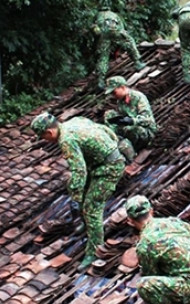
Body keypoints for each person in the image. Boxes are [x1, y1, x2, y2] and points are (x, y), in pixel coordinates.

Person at [31, 113, 126, 268]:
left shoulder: (66, 141)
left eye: (43, 137)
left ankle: (95, 251)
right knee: (78, 188)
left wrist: (75, 197)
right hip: (100, 163)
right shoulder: (74, 121)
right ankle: (85, 223)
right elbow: (105, 130)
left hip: (109, 168)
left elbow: (79, 171)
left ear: (49, 132)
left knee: (92, 209)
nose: (45, 140)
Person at [94, 10, 145, 90]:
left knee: (103, 57)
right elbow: (122, 28)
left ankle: (100, 80)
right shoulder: (114, 14)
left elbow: (95, 29)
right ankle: (137, 63)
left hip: (103, 34)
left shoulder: (98, 15)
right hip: (115, 29)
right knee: (129, 42)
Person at [103, 76, 158, 151]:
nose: (113, 95)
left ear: (122, 87)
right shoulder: (120, 102)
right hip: (129, 127)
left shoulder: (138, 97)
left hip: (145, 130)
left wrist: (132, 121)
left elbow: (147, 119)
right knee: (109, 114)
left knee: (133, 130)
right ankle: (115, 139)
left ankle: (134, 149)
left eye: (114, 92)